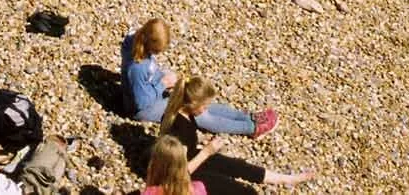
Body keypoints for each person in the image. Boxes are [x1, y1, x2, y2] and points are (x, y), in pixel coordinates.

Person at [123, 20, 277, 133]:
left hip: (150, 88)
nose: (157, 54)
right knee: (197, 112)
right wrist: (162, 84)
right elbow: (141, 103)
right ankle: (251, 127)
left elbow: (140, 78)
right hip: (145, 108)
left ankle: (246, 116)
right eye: (157, 51)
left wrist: (161, 78)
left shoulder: (133, 39)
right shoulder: (138, 68)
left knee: (198, 100)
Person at [156, 80, 314, 187]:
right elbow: (178, 174)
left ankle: (285, 178)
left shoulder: (179, 113)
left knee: (239, 166)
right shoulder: (178, 129)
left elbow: (185, 145)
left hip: (192, 157)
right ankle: (286, 179)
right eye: (204, 106)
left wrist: (203, 146)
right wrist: (206, 152)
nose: (206, 110)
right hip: (184, 173)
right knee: (230, 186)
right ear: (192, 104)